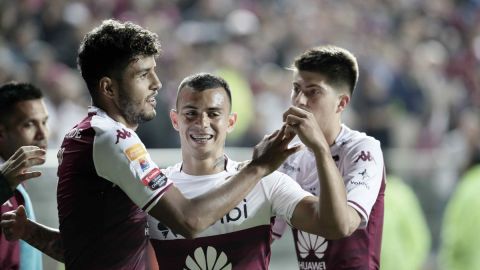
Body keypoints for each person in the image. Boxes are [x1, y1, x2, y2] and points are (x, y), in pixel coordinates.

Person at [48, 19, 294, 270]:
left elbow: (89, 246)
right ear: (108, 88)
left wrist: (28, 231)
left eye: (153, 71)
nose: (157, 83)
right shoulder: (112, 138)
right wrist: (259, 168)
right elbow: (190, 220)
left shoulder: (80, 135)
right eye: (143, 74)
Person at [147, 72, 352, 269]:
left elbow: (335, 226)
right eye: (191, 113)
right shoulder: (154, 188)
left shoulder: (266, 182)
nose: (202, 123)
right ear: (175, 120)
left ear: (231, 122)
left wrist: (321, 150)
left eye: (214, 114)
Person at [272, 45, 386, 269]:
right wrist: (258, 170)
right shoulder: (290, 156)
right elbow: (264, 233)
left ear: (341, 103)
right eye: (296, 89)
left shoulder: (363, 150)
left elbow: (343, 226)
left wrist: (319, 148)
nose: (300, 101)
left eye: (313, 91)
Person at [0, 82, 50, 269]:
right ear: (1, 132)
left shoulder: (18, 179)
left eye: (44, 122)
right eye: (29, 124)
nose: (42, 133)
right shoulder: (5, 181)